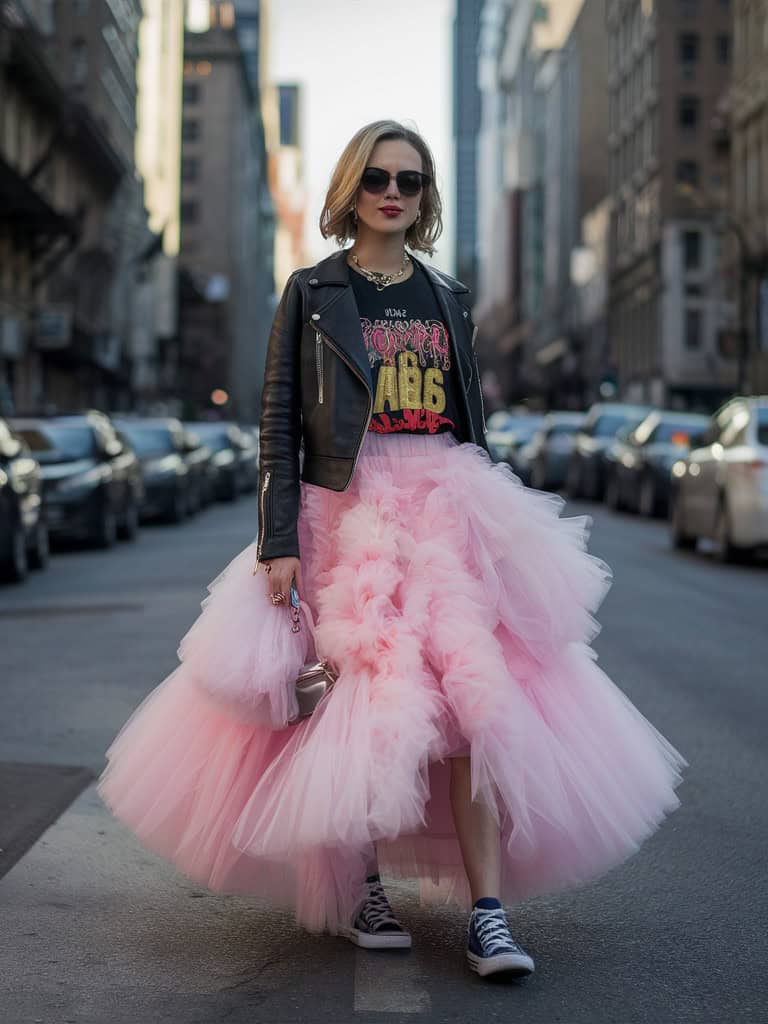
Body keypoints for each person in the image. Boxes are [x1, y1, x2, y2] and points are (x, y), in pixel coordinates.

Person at [98, 120, 686, 982]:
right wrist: (278, 538)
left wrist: (496, 524)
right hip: (348, 507)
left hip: (446, 508)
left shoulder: (448, 294)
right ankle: (365, 885)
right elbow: (277, 424)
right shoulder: (311, 291)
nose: (393, 193)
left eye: (410, 181)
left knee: (475, 700)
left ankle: (489, 914)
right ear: (351, 187)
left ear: (425, 196)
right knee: (370, 701)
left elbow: (469, 421)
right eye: (378, 177)